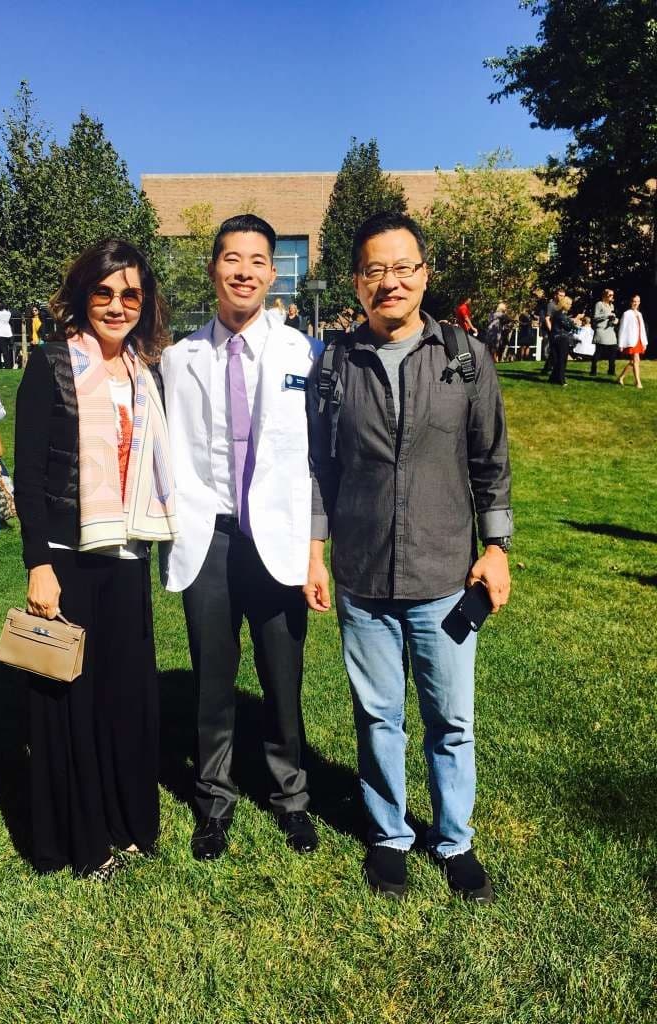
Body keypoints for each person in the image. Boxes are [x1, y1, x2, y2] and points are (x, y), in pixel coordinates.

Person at [306, 211, 512, 903]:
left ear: (424, 274)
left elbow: (490, 460)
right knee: (378, 716)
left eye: (402, 268)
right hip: (363, 575)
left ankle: (454, 841)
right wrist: (316, 551)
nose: (388, 282)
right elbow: (318, 468)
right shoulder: (334, 364)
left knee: (451, 719)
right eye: (374, 270)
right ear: (357, 283)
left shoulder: (463, 357)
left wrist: (497, 547)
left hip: (446, 576)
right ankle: (390, 835)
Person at [160, 214, 322, 861]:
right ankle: (214, 800)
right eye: (233, 259)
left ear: (272, 271)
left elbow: (316, 461)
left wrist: (316, 549)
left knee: (283, 678)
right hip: (210, 541)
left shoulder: (302, 354)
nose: (245, 271)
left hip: (278, 541)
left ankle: (291, 797)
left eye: (259, 260)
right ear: (213, 269)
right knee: (211, 681)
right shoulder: (179, 359)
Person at [14, 238, 177, 881]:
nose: (116, 305)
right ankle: (82, 843)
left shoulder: (143, 372)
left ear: (145, 301)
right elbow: (28, 475)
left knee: (125, 696)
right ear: (84, 296)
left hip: (128, 553)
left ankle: (128, 823)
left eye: (130, 293)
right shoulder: (51, 365)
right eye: (103, 292)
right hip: (68, 557)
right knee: (70, 700)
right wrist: (38, 565)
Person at [617, 294, 648, 388]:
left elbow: (642, 329)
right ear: (631, 302)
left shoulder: (639, 314)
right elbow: (622, 328)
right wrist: (621, 343)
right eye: (634, 301)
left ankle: (621, 377)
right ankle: (638, 382)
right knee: (635, 359)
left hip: (639, 340)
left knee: (634, 361)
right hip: (631, 340)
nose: (636, 303)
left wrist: (644, 342)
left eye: (637, 301)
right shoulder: (627, 313)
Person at [549, 295, 579, 386]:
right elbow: (569, 327)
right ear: (564, 304)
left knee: (558, 360)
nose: (570, 306)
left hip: (555, 338)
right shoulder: (561, 315)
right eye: (569, 304)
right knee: (562, 360)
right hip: (561, 339)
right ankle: (561, 380)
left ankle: (553, 378)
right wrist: (575, 320)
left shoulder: (557, 314)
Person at [590, 288, 618, 376]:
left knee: (613, 350)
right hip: (601, 330)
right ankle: (593, 370)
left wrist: (615, 320)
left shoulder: (611, 306)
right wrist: (606, 316)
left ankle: (611, 371)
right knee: (598, 352)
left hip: (610, 330)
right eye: (610, 295)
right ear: (605, 295)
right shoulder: (599, 304)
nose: (612, 297)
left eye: (613, 295)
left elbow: (612, 317)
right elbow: (595, 317)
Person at [541, 287, 566, 375]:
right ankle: (549, 369)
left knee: (554, 351)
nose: (562, 297)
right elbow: (547, 319)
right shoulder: (551, 305)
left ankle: (547, 369)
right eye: (560, 295)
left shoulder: (562, 305)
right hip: (551, 330)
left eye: (563, 296)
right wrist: (552, 331)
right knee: (552, 350)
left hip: (557, 331)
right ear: (555, 295)